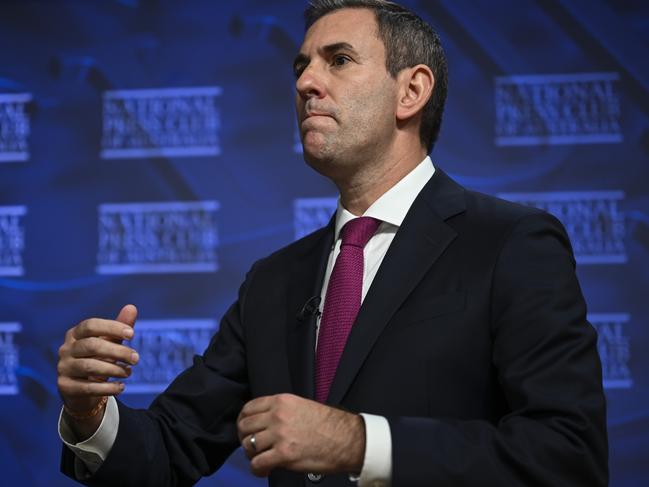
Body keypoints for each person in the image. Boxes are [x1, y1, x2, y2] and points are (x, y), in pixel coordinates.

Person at [57, 1, 608, 486]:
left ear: (411, 90)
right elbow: (169, 452)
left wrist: (360, 443)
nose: (304, 83)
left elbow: (567, 457)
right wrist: (90, 415)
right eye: (302, 66)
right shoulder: (273, 282)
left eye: (338, 60)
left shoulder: (509, 243)